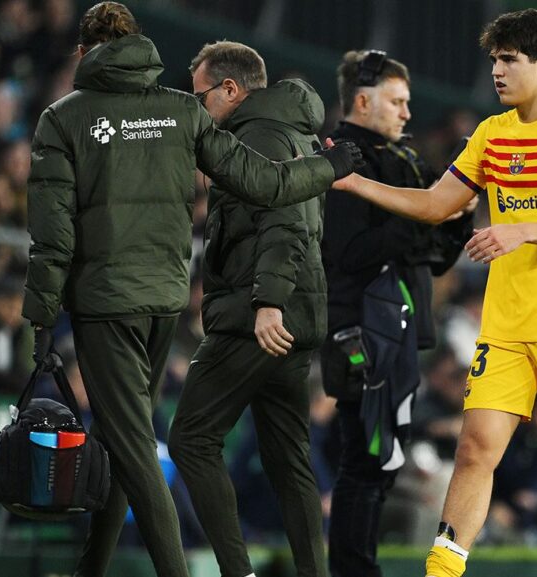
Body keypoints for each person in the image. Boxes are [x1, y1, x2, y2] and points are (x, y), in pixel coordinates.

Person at [21, 4, 360, 576]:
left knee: (142, 449)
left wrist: (40, 316)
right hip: (165, 301)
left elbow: (51, 233)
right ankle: (91, 569)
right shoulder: (182, 112)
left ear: (85, 53)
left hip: (105, 302)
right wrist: (329, 168)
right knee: (121, 439)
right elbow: (266, 182)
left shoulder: (62, 118)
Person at [333, 9, 537, 577]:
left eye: (509, 59)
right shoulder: (491, 132)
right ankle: (442, 572)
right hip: (506, 325)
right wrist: (354, 181)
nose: (498, 71)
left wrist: (520, 228)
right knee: (475, 448)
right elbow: (436, 205)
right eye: (495, 60)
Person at [167, 41, 332, 577]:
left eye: (200, 97)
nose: (196, 109)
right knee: (289, 462)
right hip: (290, 314)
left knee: (190, 439)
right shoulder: (289, 131)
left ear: (231, 90)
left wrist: (266, 303)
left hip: (256, 316)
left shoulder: (257, 135)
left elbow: (286, 222)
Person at [320, 49, 474, 577]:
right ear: (362, 100)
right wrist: (426, 212)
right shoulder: (342, 157)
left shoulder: (402, 159)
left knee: (380, 468)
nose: (407, 112)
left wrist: (454, 219)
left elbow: (431, 260)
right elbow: (345, 253)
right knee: (364, 466)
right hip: (363, 330)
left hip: (397, 332)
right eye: (397, 100)